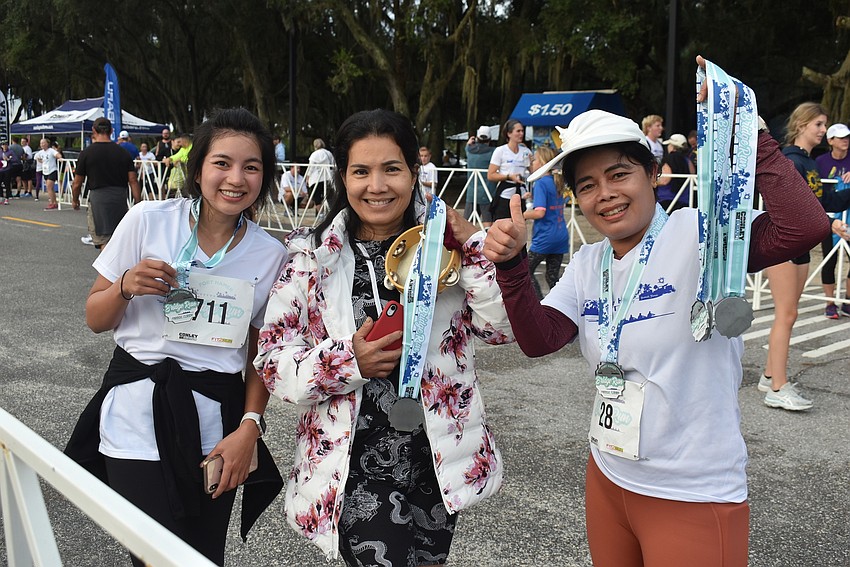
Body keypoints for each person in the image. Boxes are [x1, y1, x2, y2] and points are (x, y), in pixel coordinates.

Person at [482, 76, 829, 566]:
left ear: (653, 173)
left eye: (619, 174)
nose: (605, 194)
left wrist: (749, 136)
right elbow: (540, 340)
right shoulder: (588, 263)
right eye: (587, 185)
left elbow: (804, 227)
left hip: (694, 492)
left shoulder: (699, 235)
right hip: (608, 478)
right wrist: (514, 267)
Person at [254, 109, 514, 567]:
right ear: (343, 177)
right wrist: (348, 360)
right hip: (354, 465)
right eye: (361, 171)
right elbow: (273, 360)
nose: (377, 185)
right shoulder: (311, 257)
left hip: (435, 458)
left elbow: (501, 329)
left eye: (391, 169)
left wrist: (473, 248)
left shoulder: (446, 247)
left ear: (414, 173)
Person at [64, 108, 286, 567]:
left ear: (264, 177)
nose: (235, 178)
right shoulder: (148, 219)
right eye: (221, 163)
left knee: (204, 556)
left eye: (251, 166)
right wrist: (124, 285)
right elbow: (95, 318)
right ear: (198, 166)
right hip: (135, 418)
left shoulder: (270, 254)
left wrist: (250, 426)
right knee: (154, 556)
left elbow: (261, 354)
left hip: (217, 427)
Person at [760, 103, 850, 410]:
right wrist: (830, 221)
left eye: (824, 124)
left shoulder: (809, 163)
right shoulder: (788, 160)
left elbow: (823, 200)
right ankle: (777, 387)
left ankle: (771, 373)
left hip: (799, 247)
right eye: (819, 124)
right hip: (782, 244)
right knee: (786, 314)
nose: (824, 130)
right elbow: (786, 208)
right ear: (801, 125)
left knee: (789, 313)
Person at [70, 118, 142, 249]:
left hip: (98, 198)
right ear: (112, 131)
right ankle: (120, 268)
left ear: (93, 131)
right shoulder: (123, 152)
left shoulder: (86, 153)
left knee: (104, 240)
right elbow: (133, 180)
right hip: (119, 197)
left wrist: (75, 200)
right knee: (118, 236)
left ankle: (107, 269)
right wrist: (138, 201)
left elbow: (77, 183)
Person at [524, 145, 569, 300]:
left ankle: (540, 305)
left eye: (535, 159)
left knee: (526, 271)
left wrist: (520, 215)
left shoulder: (541, 183)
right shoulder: (556, 182)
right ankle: (562, 306)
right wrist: (534, 196)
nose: (532, 162)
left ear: (543, 162)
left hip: (545, 237)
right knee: (552, 277)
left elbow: (540, 212)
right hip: (560, 235)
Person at [815, 122, 850, 319]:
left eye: (847, 137)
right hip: (829, 216)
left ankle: (847, 301)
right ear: (830, 141)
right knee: (829, 259)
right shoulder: (820, 162)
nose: (845, 140)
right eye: (841, 137)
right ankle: (830, 303)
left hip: (849, 214)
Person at [487, 118, 532, 221]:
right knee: (503, 225)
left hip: (521, 194)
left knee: (519, 226)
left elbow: (532, 172)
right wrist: (509, 176)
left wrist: (532, 162)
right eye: (518, 131)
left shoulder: (526, 151)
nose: (521, 134)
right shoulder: (500, 151)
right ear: (509, 134)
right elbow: (491, 175)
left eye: (522, 131)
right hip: (505, 194)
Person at [464, 125, 496, 226]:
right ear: (490, 139)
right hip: (487, 191)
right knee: (487, 219)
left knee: (467, 221)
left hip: (471, 191)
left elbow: (467, 147)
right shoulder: (493, 152)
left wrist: (469, 144)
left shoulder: (469, 150)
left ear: (477, 138)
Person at [656, 133, 696, 212]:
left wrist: (652, 181)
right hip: (685, 201)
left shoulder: (668, 159)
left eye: (669, 144)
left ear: (672, 146)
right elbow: (692, 175)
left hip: (666, 200)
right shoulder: (688, 161)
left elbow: (665, 180)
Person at [304, 137, 335, 213]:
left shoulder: (314, 154)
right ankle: (327, 214)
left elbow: (310, 168)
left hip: (317, 179)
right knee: (328, 197)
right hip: (328, 178)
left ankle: (321, 214)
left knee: (317, 198)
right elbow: (333, 165)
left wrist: (307, 177)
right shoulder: (328, 153)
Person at [35, 137, 62, 210]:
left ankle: (52, 203)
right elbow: (36, 157)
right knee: (51, 188)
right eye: (41, 143)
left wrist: (59, 158)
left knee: (49, 187)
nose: (42, 144)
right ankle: (55, 203)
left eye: (43, 143)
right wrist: (39, 160)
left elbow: (58, 155)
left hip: (52, 170)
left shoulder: (51, 150)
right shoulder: (41, 152)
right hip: (45, 171)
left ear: (47, 143)